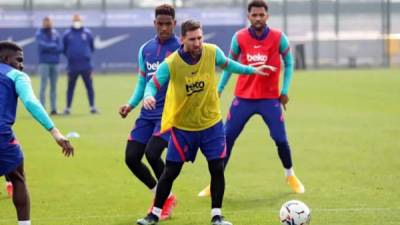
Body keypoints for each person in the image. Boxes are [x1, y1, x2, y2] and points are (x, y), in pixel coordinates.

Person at [137, 20, 272, 225]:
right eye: (192, 39)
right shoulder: (172, 62)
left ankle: (217, 215)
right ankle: (154, 213)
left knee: (217, 168)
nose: (198, 43)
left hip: (211, 125)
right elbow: (152, 84)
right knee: (171, 172)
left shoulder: (212, 51)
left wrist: (252, 70)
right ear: (182, 40)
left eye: (200, 37)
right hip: (183, 128)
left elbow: (229, 64)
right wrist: (148, 95)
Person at [198, 0, 305, 198]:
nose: (258, 18)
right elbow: (228, 65)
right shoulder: (239, 37)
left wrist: (285, 89)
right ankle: (214, 183)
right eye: (254, 15)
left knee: (281, 139)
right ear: (249, 17)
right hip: (243, 99)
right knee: (226, 138)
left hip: (270, 99)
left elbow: (289, 63)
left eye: (261, 15)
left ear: (267, 16)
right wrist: (219, 88)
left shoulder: (279, 37)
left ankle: (290, 175)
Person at [0, 41, 74, 225]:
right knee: (18, 177)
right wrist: (55, 132)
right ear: (5, 59)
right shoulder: (17, 76)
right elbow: (31, 102)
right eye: (19, 60)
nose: (22, 65)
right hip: (1, 134)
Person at [118, 4, 180, 220]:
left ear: (175, 23)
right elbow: (142, 82)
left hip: (169, 114)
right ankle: (164, 196)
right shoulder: (145, 49)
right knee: (131, 157)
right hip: (147, 113)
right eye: (160, 24)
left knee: (152, 154)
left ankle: (161, 204)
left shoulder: (182, 48)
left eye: (168, 24)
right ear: (154, 23)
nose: (164, 28)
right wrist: (130, 104)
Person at [62, 13, 97, 115]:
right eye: (75, 20)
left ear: (82, 21)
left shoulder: (88, 33)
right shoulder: (67, 34)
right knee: (70, 88)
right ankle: (68, 108)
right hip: (72, 67)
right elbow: (64, 49)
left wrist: (86, 56)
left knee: (89, 87)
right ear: (72, 21)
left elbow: (92, 48)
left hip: (86, 66)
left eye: (78, 20)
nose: (77, 22)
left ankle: (92, 107)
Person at [35, 16, 63, 115]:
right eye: (46, 21)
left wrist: (50, 47)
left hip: (55, 63)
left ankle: (53, 109)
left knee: (54, 87)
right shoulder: (39, 33)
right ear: (43, 22)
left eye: (49, 21)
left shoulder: (56, 33)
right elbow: (42, 46)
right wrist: (53, 46)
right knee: (43, 85)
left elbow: (60, 48)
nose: (48, 23)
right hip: (44, 62)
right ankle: (42, 109)